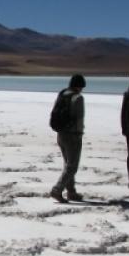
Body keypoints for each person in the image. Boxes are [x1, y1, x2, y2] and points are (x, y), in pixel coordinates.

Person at [50, 74, 86, 203]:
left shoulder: (62, 95)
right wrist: (79, 132)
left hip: (60, 134)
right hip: (73, 135)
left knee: (67, 165)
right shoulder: (78, 98)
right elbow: (79, 119)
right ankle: (57, 189)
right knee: (72, 166)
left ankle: (71, 192)